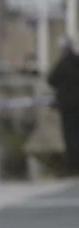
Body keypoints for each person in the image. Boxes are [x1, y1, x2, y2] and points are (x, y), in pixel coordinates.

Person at [48, 40, 79, 175]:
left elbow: (51, 79)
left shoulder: (63, 63)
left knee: (70, 136)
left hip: (68, 106)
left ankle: (73, 165)